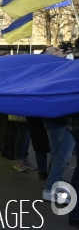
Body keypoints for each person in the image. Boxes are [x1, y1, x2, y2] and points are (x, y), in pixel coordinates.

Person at [42, 45, 76, 203]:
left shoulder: (58, 70)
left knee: (59, 154)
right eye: (55, 50)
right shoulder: (53, 72)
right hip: (57, 119)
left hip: (61, 118)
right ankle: (52, 188)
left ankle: (55, 185)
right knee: (61, 155)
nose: (60, 51)